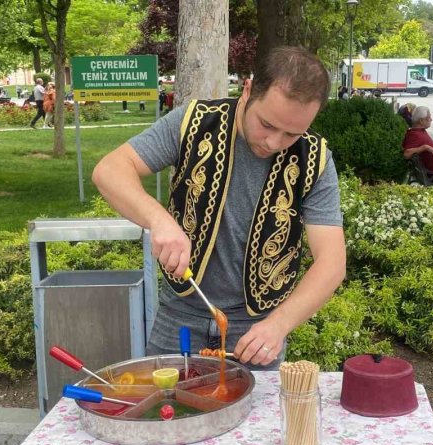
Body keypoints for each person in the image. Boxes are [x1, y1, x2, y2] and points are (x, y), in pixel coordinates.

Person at [91, 46, 346, 370]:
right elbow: (110, 169)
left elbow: (332, 262)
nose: (273, 142)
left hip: (259, 326)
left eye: (291, 133)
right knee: (166, 413)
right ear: (248, 90)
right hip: (180, 314)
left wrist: (279, 325)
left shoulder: (315, 159)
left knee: (255, 421)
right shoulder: (194, 123)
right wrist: (160, 220)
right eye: (267, 124)